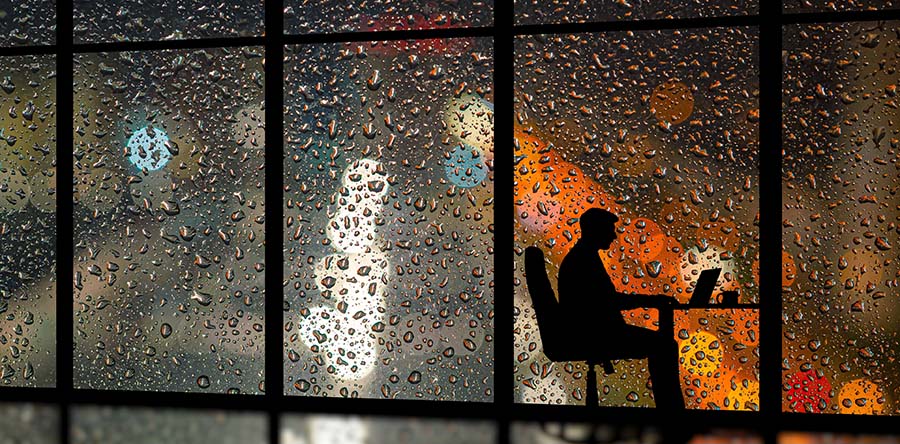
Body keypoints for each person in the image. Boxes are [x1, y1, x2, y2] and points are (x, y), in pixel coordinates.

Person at [557, 208, 685, 410]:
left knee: (663, 344)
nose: (614, 235)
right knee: (665, 346)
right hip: (594, 333)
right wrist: (653, 301)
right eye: (609, 229)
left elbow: (605, 300)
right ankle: (672, 413)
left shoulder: (582, 256)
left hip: (587, 331)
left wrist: (652, 300)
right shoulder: (584, 261)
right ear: (595, 230)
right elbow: (609, 301)